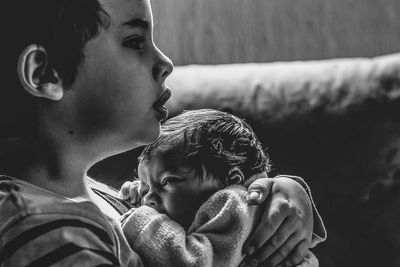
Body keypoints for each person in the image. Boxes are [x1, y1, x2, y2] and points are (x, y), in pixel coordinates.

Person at [0, 0, 325, 266]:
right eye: (134, 42)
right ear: (45, 72)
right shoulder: (47, 234)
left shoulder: (94, 198)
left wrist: (274, 193)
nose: (165, 62)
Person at [119, 109, 323, 267]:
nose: (147, 199)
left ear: (231, 179)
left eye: (167, 181)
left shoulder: (237, 202)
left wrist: (141, 222)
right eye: (145, 184)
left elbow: (193, 262)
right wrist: (147, 192)